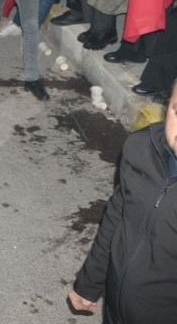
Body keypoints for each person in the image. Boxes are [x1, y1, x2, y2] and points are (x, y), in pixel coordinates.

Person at [67, 82, 177, 323]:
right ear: (167, 105)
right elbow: (117, 214)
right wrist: (89, 281)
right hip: (116, 307)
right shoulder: (141, 146)